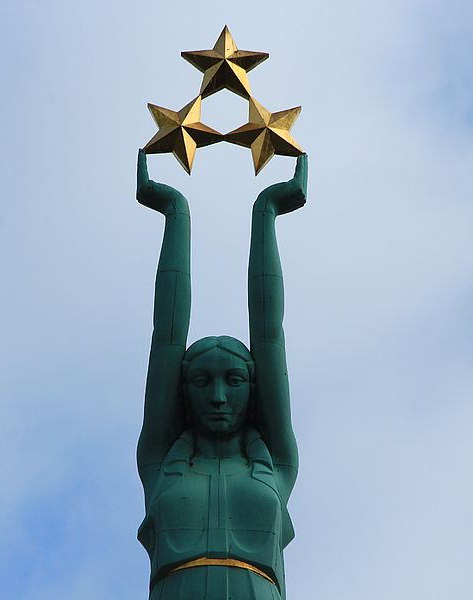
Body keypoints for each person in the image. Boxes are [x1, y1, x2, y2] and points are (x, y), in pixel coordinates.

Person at [135, 149, 307, 600]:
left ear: (253, 390)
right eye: (200, 381)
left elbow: (269, 333)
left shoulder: (276, 462)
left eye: (233, 381)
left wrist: (265, 212)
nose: (216, 396)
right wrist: (176, 212)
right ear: (182, 391)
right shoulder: (160, 461)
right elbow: (166, 337)